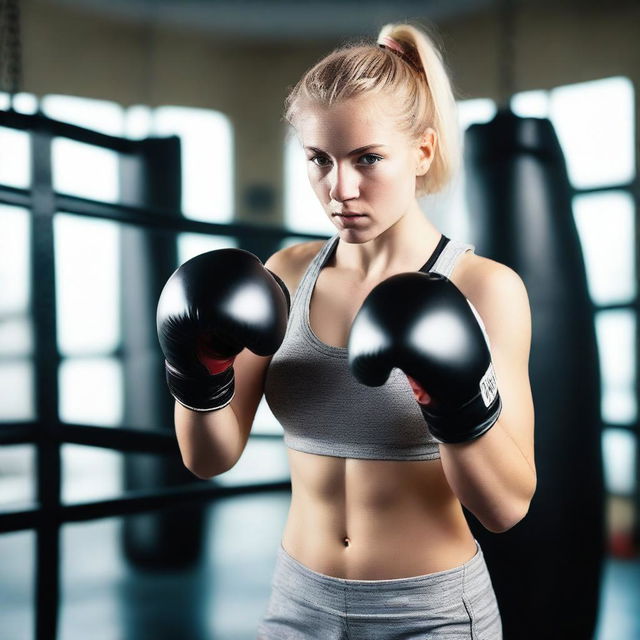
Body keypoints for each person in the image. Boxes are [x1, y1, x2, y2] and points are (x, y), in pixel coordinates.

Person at [158, 20, 536, 640]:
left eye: (368, 159)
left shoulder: (484, 289)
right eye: (319, 160)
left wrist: (456, 399)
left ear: (422, 151)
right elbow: (209, 457)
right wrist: (198, 371)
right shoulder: (283, 275)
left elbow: (506, 508)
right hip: (298, 603)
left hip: (431, 613)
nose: (340, 189)